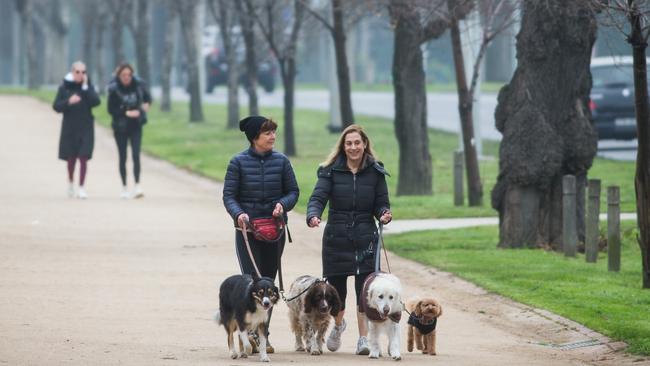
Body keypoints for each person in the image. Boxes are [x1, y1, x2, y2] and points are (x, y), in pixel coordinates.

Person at [306, 124, 392, 355]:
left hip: (366, 238)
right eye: (349, 143)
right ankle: (339, 324)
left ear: (365, 144)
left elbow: (381, 202)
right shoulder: (330, 171)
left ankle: (363, 339)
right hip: (337, 237)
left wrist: (384, 213)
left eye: (357, 143)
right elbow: (318, 197)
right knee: (336, 292)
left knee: (364, 292)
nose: (353, 147)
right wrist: (313, 214)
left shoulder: (375, 171)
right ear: (343, 147)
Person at [222, 115, 299, 353]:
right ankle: (251, 331)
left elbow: (293, 191)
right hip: (248, 231)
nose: (273, 136)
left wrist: (283, 205)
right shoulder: (238, 162)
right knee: (252, 281)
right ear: (255, 137)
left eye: (274, 132)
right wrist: (239, 214)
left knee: (270, 284)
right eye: (267, 133)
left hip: (274, 232)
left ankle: (263, 334)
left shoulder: (282, 161)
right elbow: (229, 196)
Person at [52, 61, 101, 199]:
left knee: (83, 157)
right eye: (78, 72)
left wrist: (86, 87)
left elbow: (96, 102)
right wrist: (68, 102)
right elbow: (56, 106)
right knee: (71, 159)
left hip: (86, 127)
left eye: (83, 72)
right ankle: (71, 182)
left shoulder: (88, 87)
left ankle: (81, 187)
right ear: (72, 72)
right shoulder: (64, 87)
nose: (81, 75)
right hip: (70, 127)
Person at [107, 63, 152, 199]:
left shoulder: (138, 86)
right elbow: (110, 109)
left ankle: (137, 185)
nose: (126, 77)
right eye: (123, 75)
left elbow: (148, 98)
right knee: (123, 156)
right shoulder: (114, 89)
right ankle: (124, 187)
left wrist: (145, 105)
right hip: (120, 127)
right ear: (119, 76)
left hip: (136, 126)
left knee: (136, 155)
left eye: (129, 75)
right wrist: (126, 113)